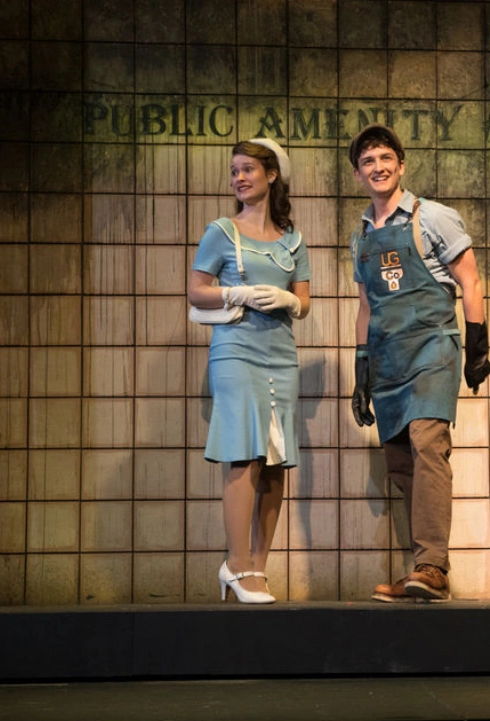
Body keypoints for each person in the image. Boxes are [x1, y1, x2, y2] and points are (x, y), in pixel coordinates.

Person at [347, 124, 490, 603]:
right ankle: (424, 570)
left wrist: (477, 347)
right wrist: (361, 368)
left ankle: (432, 565)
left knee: (428, 444)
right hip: (387, 357)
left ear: (402, 164)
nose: (379, 167)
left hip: (432, 347)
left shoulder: (433, 217)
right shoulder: (361, 236)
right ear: (358, 173)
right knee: (401, 463)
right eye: (368, 161)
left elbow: (470, 280)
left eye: (386, 158)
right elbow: (367, 304)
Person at [189, 138, 311, 605]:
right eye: (234, 171)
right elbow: (196, 291)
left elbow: (303, 301)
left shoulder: (292, 240)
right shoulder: (221, 231)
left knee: (276, 461)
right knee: (244, 453)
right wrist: (236, 294)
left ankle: (258, 567)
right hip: (236, 351)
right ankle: (235, 564)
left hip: (280, 353)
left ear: (272, 175)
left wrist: (288, 301)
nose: (239, 178)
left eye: (248, 170)